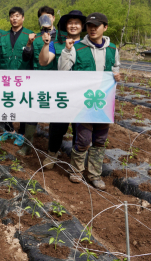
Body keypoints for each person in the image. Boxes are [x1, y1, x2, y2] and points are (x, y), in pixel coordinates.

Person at [58, 12, 121, 190]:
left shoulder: (112, 49)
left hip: (103, 102)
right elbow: (63, 72)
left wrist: (116, 75)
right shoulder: (77, 48)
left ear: (105, 27)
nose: (92, 29)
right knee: (83, 139)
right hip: (83, 103)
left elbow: (116, 68)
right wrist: (67, 50)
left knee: (100, 139)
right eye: (89, 26)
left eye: (97, 26)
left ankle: (94, 174)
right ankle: (76, 171)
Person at [39, 10, 85, 169]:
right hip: (62, 93)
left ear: (82, 26)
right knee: (57, 125)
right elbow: (44, 61)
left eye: (77, 23)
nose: (73, 26)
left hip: (81, 93)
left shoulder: (87, 44)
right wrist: (46, 44)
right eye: (70, 22)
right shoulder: (56, 43)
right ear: (66, 25)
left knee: (80, 127)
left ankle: (76, 159)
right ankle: (52, 154)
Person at [14, 6, 56, 156]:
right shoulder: (35, 37)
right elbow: (26, 59)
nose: (46, 20)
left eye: (49, 16)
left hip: (56, 83)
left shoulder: (61, 37)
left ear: (54, 18)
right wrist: (29, 44)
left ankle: (52, 151)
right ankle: (27, 145)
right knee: (32, 114)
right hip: (37, 81)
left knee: (56, 116)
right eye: (42, 17)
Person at [0, 7, 35, 141]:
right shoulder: (3, 37)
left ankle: (21, 133)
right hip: (6, 77)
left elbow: (30, 56)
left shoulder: (30, 35)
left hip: (22, 77)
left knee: (22, 103)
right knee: (7, 102)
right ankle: (9, 130)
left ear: (23, 18)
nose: (14, 18)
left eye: (17, 16)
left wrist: (28, 44)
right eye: (11, 16)